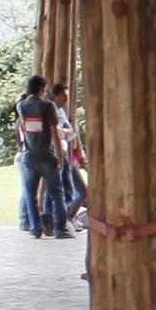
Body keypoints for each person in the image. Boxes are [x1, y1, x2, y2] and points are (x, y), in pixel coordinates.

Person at [13, 73, 61, 237]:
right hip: (46, 155)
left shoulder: (21, 106)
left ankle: (35, 229)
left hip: (29, 156)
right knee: (56, 193)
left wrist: (22, 147)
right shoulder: (48, 106)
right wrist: (60, 154)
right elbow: (55, 132)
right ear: (42, 89)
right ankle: (60, 228)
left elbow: (19, 129)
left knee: (29, 194)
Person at [48, 80, 86, 237]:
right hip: (61, 156)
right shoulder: (53, 112)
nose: (66, 99)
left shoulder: (62, 112)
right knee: (66, 191)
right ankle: (63, 221)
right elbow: (63, 134)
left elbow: (68, 133)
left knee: (74, 191)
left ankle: (67, 219)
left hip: (67, 155)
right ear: (55, 96)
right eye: (63, 96)